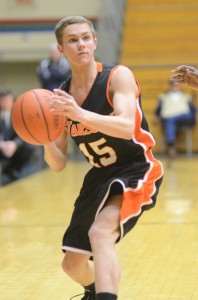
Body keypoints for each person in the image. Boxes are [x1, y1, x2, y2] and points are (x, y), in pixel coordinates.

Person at [44, 16, 164, 300]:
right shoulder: (61, 97)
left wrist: (80, 114)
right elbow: (58, 164)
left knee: (100, 233)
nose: (81, 44)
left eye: (86, 38)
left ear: (95, 42)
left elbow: (126, 126)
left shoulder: (117, 76)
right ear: (61, 49)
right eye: (72, 40)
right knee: (72, 264)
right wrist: (44, 136)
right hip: (99, 175)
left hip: (136, 166)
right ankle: (95, 291)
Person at [154, 80, 196, 161]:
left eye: (177, 85)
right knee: (170, 122)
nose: (175, 87)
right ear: (170, 86)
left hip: (184, 118)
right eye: (173, 85)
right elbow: (158, 111)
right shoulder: (163, 97)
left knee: (170, 120)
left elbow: (193, 110)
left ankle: (171, 146)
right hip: (169, 119)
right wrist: (156, 117)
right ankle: (171, 146)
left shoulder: (186, 97)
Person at [0, 88, 35, 185]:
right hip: (2, 146)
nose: (5, 102)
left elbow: (24, 133)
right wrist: (2, 145)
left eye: (8, 100)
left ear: (12, 101)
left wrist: (15, 144)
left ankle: (16, 171)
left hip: (15, 147)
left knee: (29, 146)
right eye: (3, 100)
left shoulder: (19, 115)